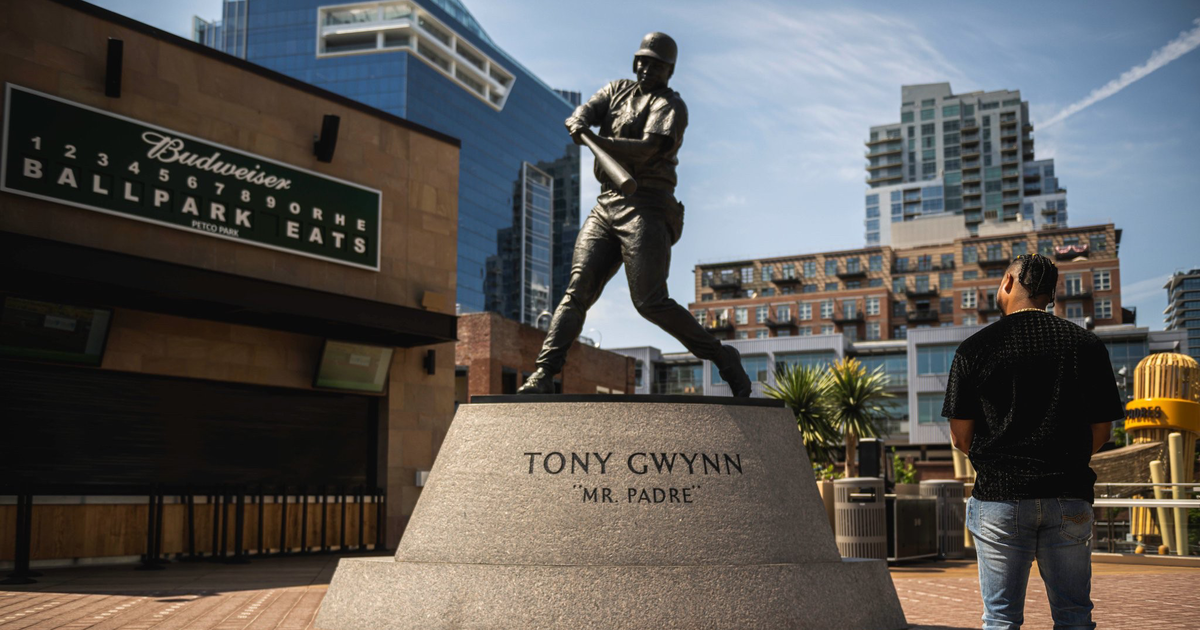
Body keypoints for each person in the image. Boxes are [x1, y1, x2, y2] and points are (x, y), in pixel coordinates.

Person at [517, 32, 752, 396]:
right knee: (577, 290)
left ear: (669, 71)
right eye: (642, 60)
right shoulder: (616, 90)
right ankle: (544, 373)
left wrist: (598, 141)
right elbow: (590, 109)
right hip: (607, 202)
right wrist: (580, 118)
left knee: (649, 302)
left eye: (656, 64)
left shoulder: (671, 106)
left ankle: (723, 357)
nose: (646, 68)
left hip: (648, 206)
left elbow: (645, 151)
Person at [943, 253, 1124, 630]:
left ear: (1008, 283)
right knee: (1074, 616)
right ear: (1050, 295)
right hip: (1068, 495)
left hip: (1000, 498)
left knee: (1001, 619)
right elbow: (1102, 431)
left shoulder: (974, 349)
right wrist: (1064, 456)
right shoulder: (1087, 346)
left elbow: (961, 437)